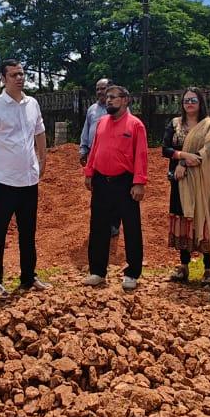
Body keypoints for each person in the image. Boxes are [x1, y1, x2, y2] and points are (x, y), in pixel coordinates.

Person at [0, 59, 51, 299]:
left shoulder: (32, 104)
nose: (19, 78)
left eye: (21, 74)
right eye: (14, 75)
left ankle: (29, 277)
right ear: (3, 78)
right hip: (3, 182)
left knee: (28, 232)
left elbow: (40, 132)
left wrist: (43, 160)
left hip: (29, 180)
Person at [81, 85, 148, 291]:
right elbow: (94, 149)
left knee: (131, 227)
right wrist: (89, 172)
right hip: (101, 181)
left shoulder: (135, 125)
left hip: (125, 183)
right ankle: (97, 271)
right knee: (98, 226)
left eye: (113, 97)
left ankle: (132, 273)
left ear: (125, 100)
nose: (108, 100)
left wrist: (139, 182)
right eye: (107, 97)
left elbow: (141, 155)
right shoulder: (101, 122)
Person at [163, 88, 210, 283]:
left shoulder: (209, 125)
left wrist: (184, 163)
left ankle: (208, 269)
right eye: (186, 100)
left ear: (200, 103)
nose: (189, 103)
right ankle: (184, 266)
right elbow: (165, 149)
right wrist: (182, 155)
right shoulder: (175, 123)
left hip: (203, 180)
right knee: (183, 218)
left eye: (193, 100)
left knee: (204, 218)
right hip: (180, 180)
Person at [80, 77, 121, 238]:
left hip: (114, 157)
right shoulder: (92, 109)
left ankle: (113, 224)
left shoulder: (119, 109)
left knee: (115, 191)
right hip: (94, 156)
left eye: (102, 88)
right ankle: (100, 223)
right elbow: (86, 130)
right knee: (98, 190)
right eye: (97, 89)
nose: (99, 92)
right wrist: (83, 149)